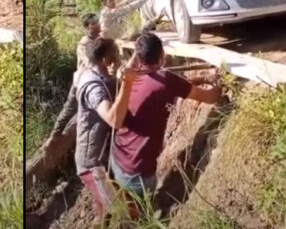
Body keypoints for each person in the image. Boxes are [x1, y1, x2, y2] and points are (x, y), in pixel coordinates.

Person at [111, 32, 221, 202]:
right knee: (141, 216)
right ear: (162, 54)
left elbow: (177, 85)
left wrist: (205, 77)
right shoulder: (165, 80)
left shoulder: (133, 77)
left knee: (126, 210)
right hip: (139, 173)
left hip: (118, 159)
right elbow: (209, 97)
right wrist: (220, 84)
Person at [74, 38, 135, 223]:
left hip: (100, 158)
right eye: (115, 53)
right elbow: (112, 118)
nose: (118, 56)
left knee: (105, 212)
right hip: (92, 164)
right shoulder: (94, 88)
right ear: (105, 59)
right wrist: (126, 82)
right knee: (122, 213)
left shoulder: (93, 76)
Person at [50, 13, 102, 137]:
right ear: (87, 28)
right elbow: (90, 63)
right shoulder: (84, 44)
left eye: (97, 23)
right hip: (81, 82)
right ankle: (55, 135)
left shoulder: (97, 40)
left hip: (92, 81)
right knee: (69, 108)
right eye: (94, 24)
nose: (98, 25)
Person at [99, 0, 150, 71]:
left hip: (112, 41)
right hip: (106, 43)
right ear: (105, 3)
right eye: (110, 1)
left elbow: (125, 2)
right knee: (111, 64)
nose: (113, 1)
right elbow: (128, 8)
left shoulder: (111, 9)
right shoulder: (107, 13)